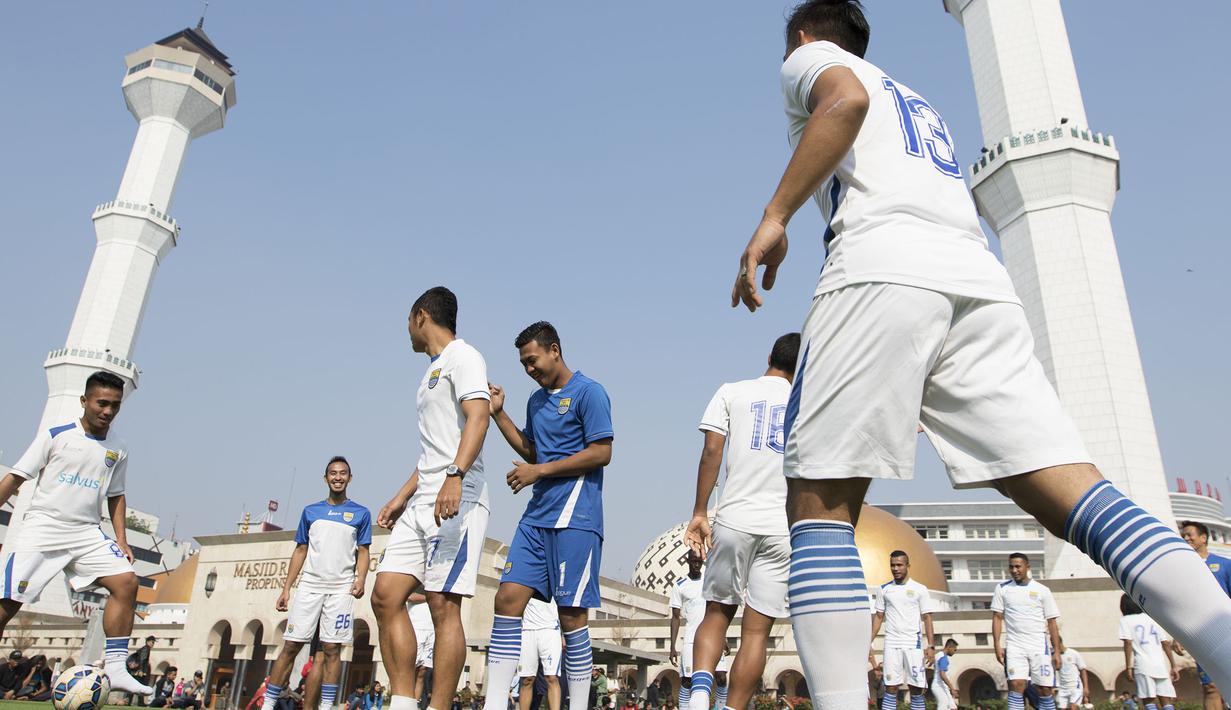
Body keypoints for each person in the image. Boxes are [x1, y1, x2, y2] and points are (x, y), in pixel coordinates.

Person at [730, 0, 1231, 705]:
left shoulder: (815, 60)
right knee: (1076, 490)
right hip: (977, 280)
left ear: (805, 38)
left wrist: (774, 216)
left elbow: (841, 101)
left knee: (820, 505)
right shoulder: (917, 102)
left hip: (877, 267)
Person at [479, 321, 614, 710]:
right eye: (523, 363)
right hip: (536, 519)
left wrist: (539, 471)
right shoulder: (536, 401)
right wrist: (499, 415)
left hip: (576, 519)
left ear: (555, 350)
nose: (529, 369)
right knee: (507, 600)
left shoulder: (590, 392)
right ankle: (494, 704)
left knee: (571, 617)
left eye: (532, 360)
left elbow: (601, 452)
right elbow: (533, 450)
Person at [372, 287, 492, 710]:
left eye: (407, 321)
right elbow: (432, 450)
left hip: (458, 497)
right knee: (385, 595)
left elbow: (479, 417)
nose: (406, 330)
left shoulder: (465, 357)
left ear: (421, 316)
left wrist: (455, 475)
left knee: (442, 605)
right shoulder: (429, 373)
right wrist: (400, 497)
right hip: (423, 498)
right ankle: (403, 702)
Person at [0, 371, 154, 698]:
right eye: (102, 403)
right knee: (6, 604)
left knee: (126, 582)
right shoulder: (56, 435)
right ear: (84, 401)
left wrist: (122, 540)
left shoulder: (118, 448)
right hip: (44, 529)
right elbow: (15, 478)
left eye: (115, 405)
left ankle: (116, 668)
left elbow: (117, 495)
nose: (108, 411)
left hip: (86, 533)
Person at [683, 333, 800, 710]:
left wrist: (700, 511)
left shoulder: (732, 391)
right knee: (756, 635)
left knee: (716, 614)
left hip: (735, 518)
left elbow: (711, 451)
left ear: (769, 356)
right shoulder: (805, 401)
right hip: (781, 527)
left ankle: (699, 697)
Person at [259, 456, 372, 710]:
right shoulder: (311, 511)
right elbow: (300, 550)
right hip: (310, 586)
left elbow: (363, 551)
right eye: (333, 473)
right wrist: (286, 589)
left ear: (350, 478)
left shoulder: (361, 513)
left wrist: (361, 579)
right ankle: (268, 703)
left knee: (332, 648)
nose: (338, 477)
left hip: (340, 589)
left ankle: (326, 705)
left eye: (343, 473)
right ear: (325, 478)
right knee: (291, 645)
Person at [991, 554, 1059, 710]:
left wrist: (1056, 651)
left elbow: (1052, 622)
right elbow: (997, 617)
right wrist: (997, 645)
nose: (1014, 570)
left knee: (1044, 688)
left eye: (1018, 566)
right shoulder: (1002, 588)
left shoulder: (1042, 590)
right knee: (1016, 684)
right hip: (1015, 645)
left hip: (1038, 646)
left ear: (1027, 567)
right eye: (1011, 567)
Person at [870, 552, 935, 710]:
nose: (895, 568)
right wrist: (868, 642)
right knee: (891, 687)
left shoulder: (920, 589)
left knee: (916, 688)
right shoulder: (884, 589)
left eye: (899, 565)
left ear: (907, 566)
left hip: (913, 643)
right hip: (892, 643)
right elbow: (879, 617)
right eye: (892, 565)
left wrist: (931, 645)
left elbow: (927, 617)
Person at [1179, 521, 1230, 710]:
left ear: (1203, 538)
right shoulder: (1183, 570)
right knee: (1210, 687)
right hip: (1202, 635)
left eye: (1189, 534)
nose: (1186, 538)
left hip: (1227, 629)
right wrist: (1179, 635)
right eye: (1183, 535)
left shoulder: (1225, 565)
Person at [1118, 595, 1177, 710]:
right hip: (1160, 665)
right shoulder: (1152, 618)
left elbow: (1128, 643)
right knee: (1166, 701)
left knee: (1148, 700)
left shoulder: (1125, 620)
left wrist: (1128, 667)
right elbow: (1165, 643)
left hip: (1143, 665)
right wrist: (1173, 666)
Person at [669, 550, 705, 710]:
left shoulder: (709, 580)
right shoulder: (680, 585)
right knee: (687, 681)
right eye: (694, 561)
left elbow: (716, 611)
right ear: (688, 561)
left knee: (721, 677)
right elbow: (675, 617)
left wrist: (722, 636)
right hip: (691, 639)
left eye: (699, 561)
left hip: (710, 637)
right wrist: (672, 646)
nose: (697, 565)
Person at [517, 597, 561, 710]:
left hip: (550, 628)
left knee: (552, 678)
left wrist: (564, 634)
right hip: (527, 629)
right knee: (527, 679)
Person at [409, 592, 436, 707]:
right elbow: (410, 596)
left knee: (423, 670)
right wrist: (431, 597)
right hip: (416, 626)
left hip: (432, 629)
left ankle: (415, 704)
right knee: (411, 668)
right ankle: (407, 701)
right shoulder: (418, 584)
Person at [1055, 638, 1089, 710]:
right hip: (1062, 688)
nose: (1053, 646)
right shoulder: (1054, 656)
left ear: (1059, 642)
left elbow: (1083, 670)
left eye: (1054, 644)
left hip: (1075, 686)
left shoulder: (1073, 653)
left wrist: (1086, 687)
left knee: (1073, 707)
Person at [129, 636, 158, 705]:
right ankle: (139, 702)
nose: (153, 644)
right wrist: (141, 670)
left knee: (135, 686)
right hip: (139, 671)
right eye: (152, 642)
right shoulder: (146, 649)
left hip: (136, 671)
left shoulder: (144, 649)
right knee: (140, 686)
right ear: (148, 642)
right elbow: (142, 660)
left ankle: (131, 701)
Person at [930, 640, 957, 710]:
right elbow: (942, 675)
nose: (955, 652)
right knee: (943, 705)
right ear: (949, 647)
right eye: (954, 650)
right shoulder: (943, 658)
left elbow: (932, 662)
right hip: (939, 686)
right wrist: (952, 688)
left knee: (953, 707)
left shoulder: (938, 654)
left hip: (942, 686)